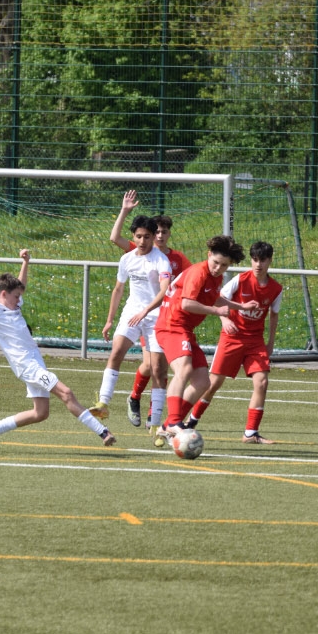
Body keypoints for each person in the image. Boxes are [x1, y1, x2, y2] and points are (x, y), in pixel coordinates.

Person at [0, 249, 116, 451]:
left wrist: (26, 262)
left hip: (35, 362)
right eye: (16, 296)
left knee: (40, 413)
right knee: (66, 393)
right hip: (27, 366)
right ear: (4, 294)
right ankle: (103, 432)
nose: (19, 300)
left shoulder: (13, 305)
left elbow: (20, 284)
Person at [155, 235, 258, 442]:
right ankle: (174, 421)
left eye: (224, 265)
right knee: (183, 370)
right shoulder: (198, 272)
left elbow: (214, 298)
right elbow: (187, 304)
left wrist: (240, 306)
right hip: (171, 326)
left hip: (185, 329)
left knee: (203, 382)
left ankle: (167, 426)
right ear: (209, 255)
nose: (218, 268)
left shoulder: (215, 277)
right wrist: (217, 311)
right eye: (216, 262)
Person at [184, 240, 282, 444]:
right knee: (213, 384)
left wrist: (270, 342)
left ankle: (250, 433)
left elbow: (274, 316)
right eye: (255, 259)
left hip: (255, 341)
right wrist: (225, 320)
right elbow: (217, 299)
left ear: (270, 261)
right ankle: (191, 421)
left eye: (263, 260)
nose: (258, 264)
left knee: (262, 382)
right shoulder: (240, 280)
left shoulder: (275, 289)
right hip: (232, 338)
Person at [109, 189, 191, 429]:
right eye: (158, 232)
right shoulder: (139, 251)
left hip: (167, 318)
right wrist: (124, 211)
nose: (160, 236)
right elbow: (115, 238)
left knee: (158, 368)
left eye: (165, 232)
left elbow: (191, 281)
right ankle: (134, 398)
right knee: (150, 365)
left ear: (168, 234)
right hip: (144, 315)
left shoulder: (177, 259)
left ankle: (152, 415)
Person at [89, 214, 172, 427]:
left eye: (147, 237)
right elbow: (118, 289)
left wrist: (146, 310)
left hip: (156, 316)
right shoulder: (127, 259)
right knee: (116, 351)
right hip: (132, 312)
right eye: (138, 236)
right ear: (133, 236)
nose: (142, 241)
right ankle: (103, 403)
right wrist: (109, 320)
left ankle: (155, 424)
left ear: (153, 237)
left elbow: (164, 291)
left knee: (157, 369)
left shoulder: (161, 261)